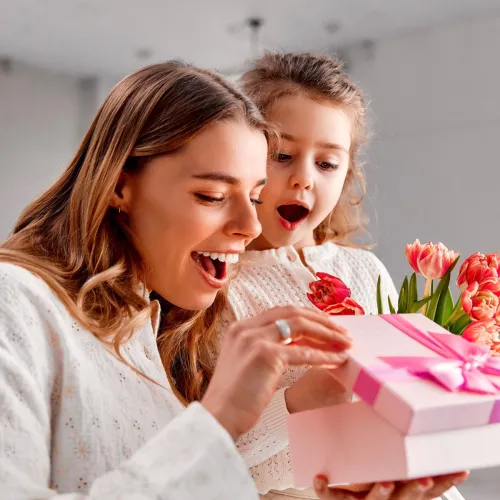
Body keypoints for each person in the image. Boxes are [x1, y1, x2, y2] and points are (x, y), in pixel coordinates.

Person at [0, 61, 353, 499]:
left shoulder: (160, 334)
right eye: (213, 196)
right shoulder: (14, 302)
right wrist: (219, 420)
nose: (252, 226)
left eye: (256, 197)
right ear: (119, 186)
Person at [209, 52, 467, 500]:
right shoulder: (218, 288)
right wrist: (299, 404)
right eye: (282, 155)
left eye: (327, 163)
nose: (303, 179)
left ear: (348, 172)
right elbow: (213, 455)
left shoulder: (364, 269)